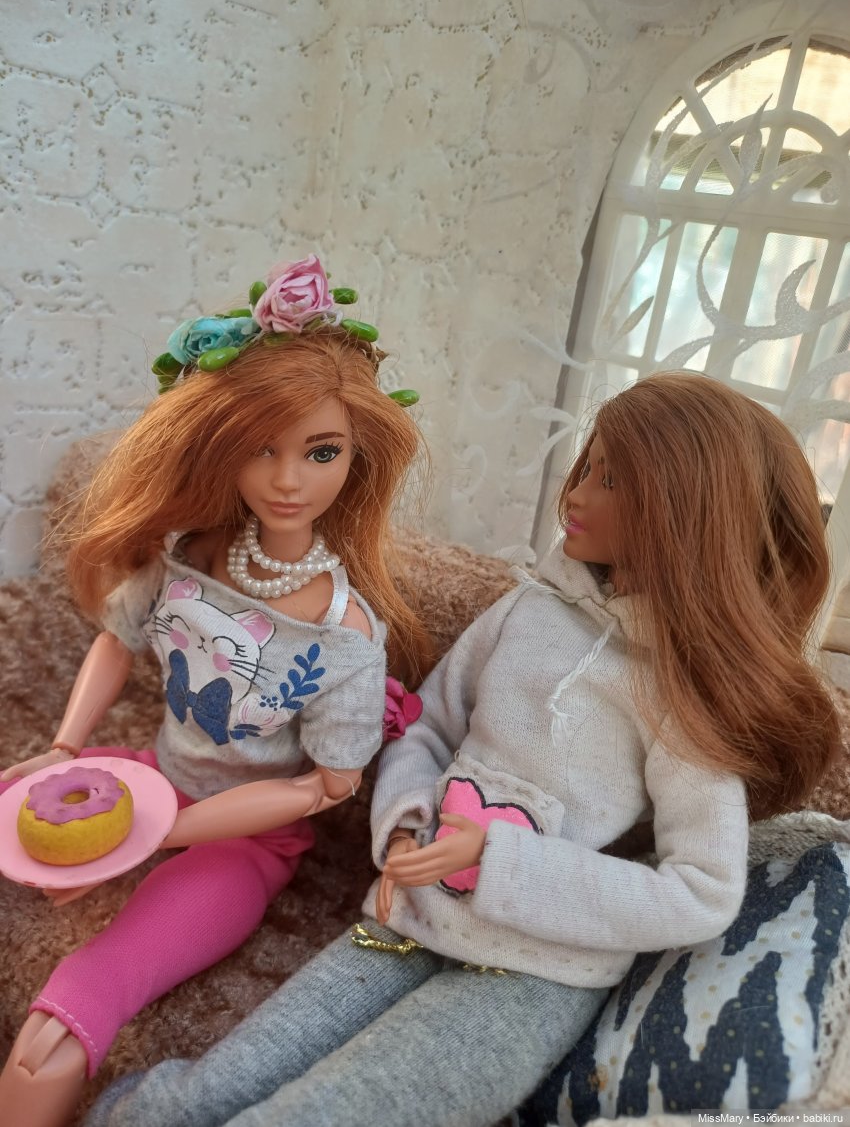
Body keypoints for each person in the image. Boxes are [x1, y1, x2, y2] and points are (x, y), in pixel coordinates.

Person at [84, 372, 840, 1127]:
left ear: (687, 513)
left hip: (534, 973)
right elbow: (429, 728)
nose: (577, 494)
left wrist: (500, 860)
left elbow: (703, 891)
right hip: (409, 916)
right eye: (588, 467)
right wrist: (404, 828)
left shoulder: (684, 694)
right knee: (203, 1093)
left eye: (611, 481)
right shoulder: (527, 610)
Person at [0, 254, 433, 1127]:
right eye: (260, 448)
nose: (288, 479)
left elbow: (323, 787)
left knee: (79, 999)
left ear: (357, 456)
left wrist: (156, 836)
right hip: (151, 774)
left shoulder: (346, 637)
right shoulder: (188, 556)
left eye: (320, 451)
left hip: (245, 840)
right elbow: (116, 643)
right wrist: (64, 747)